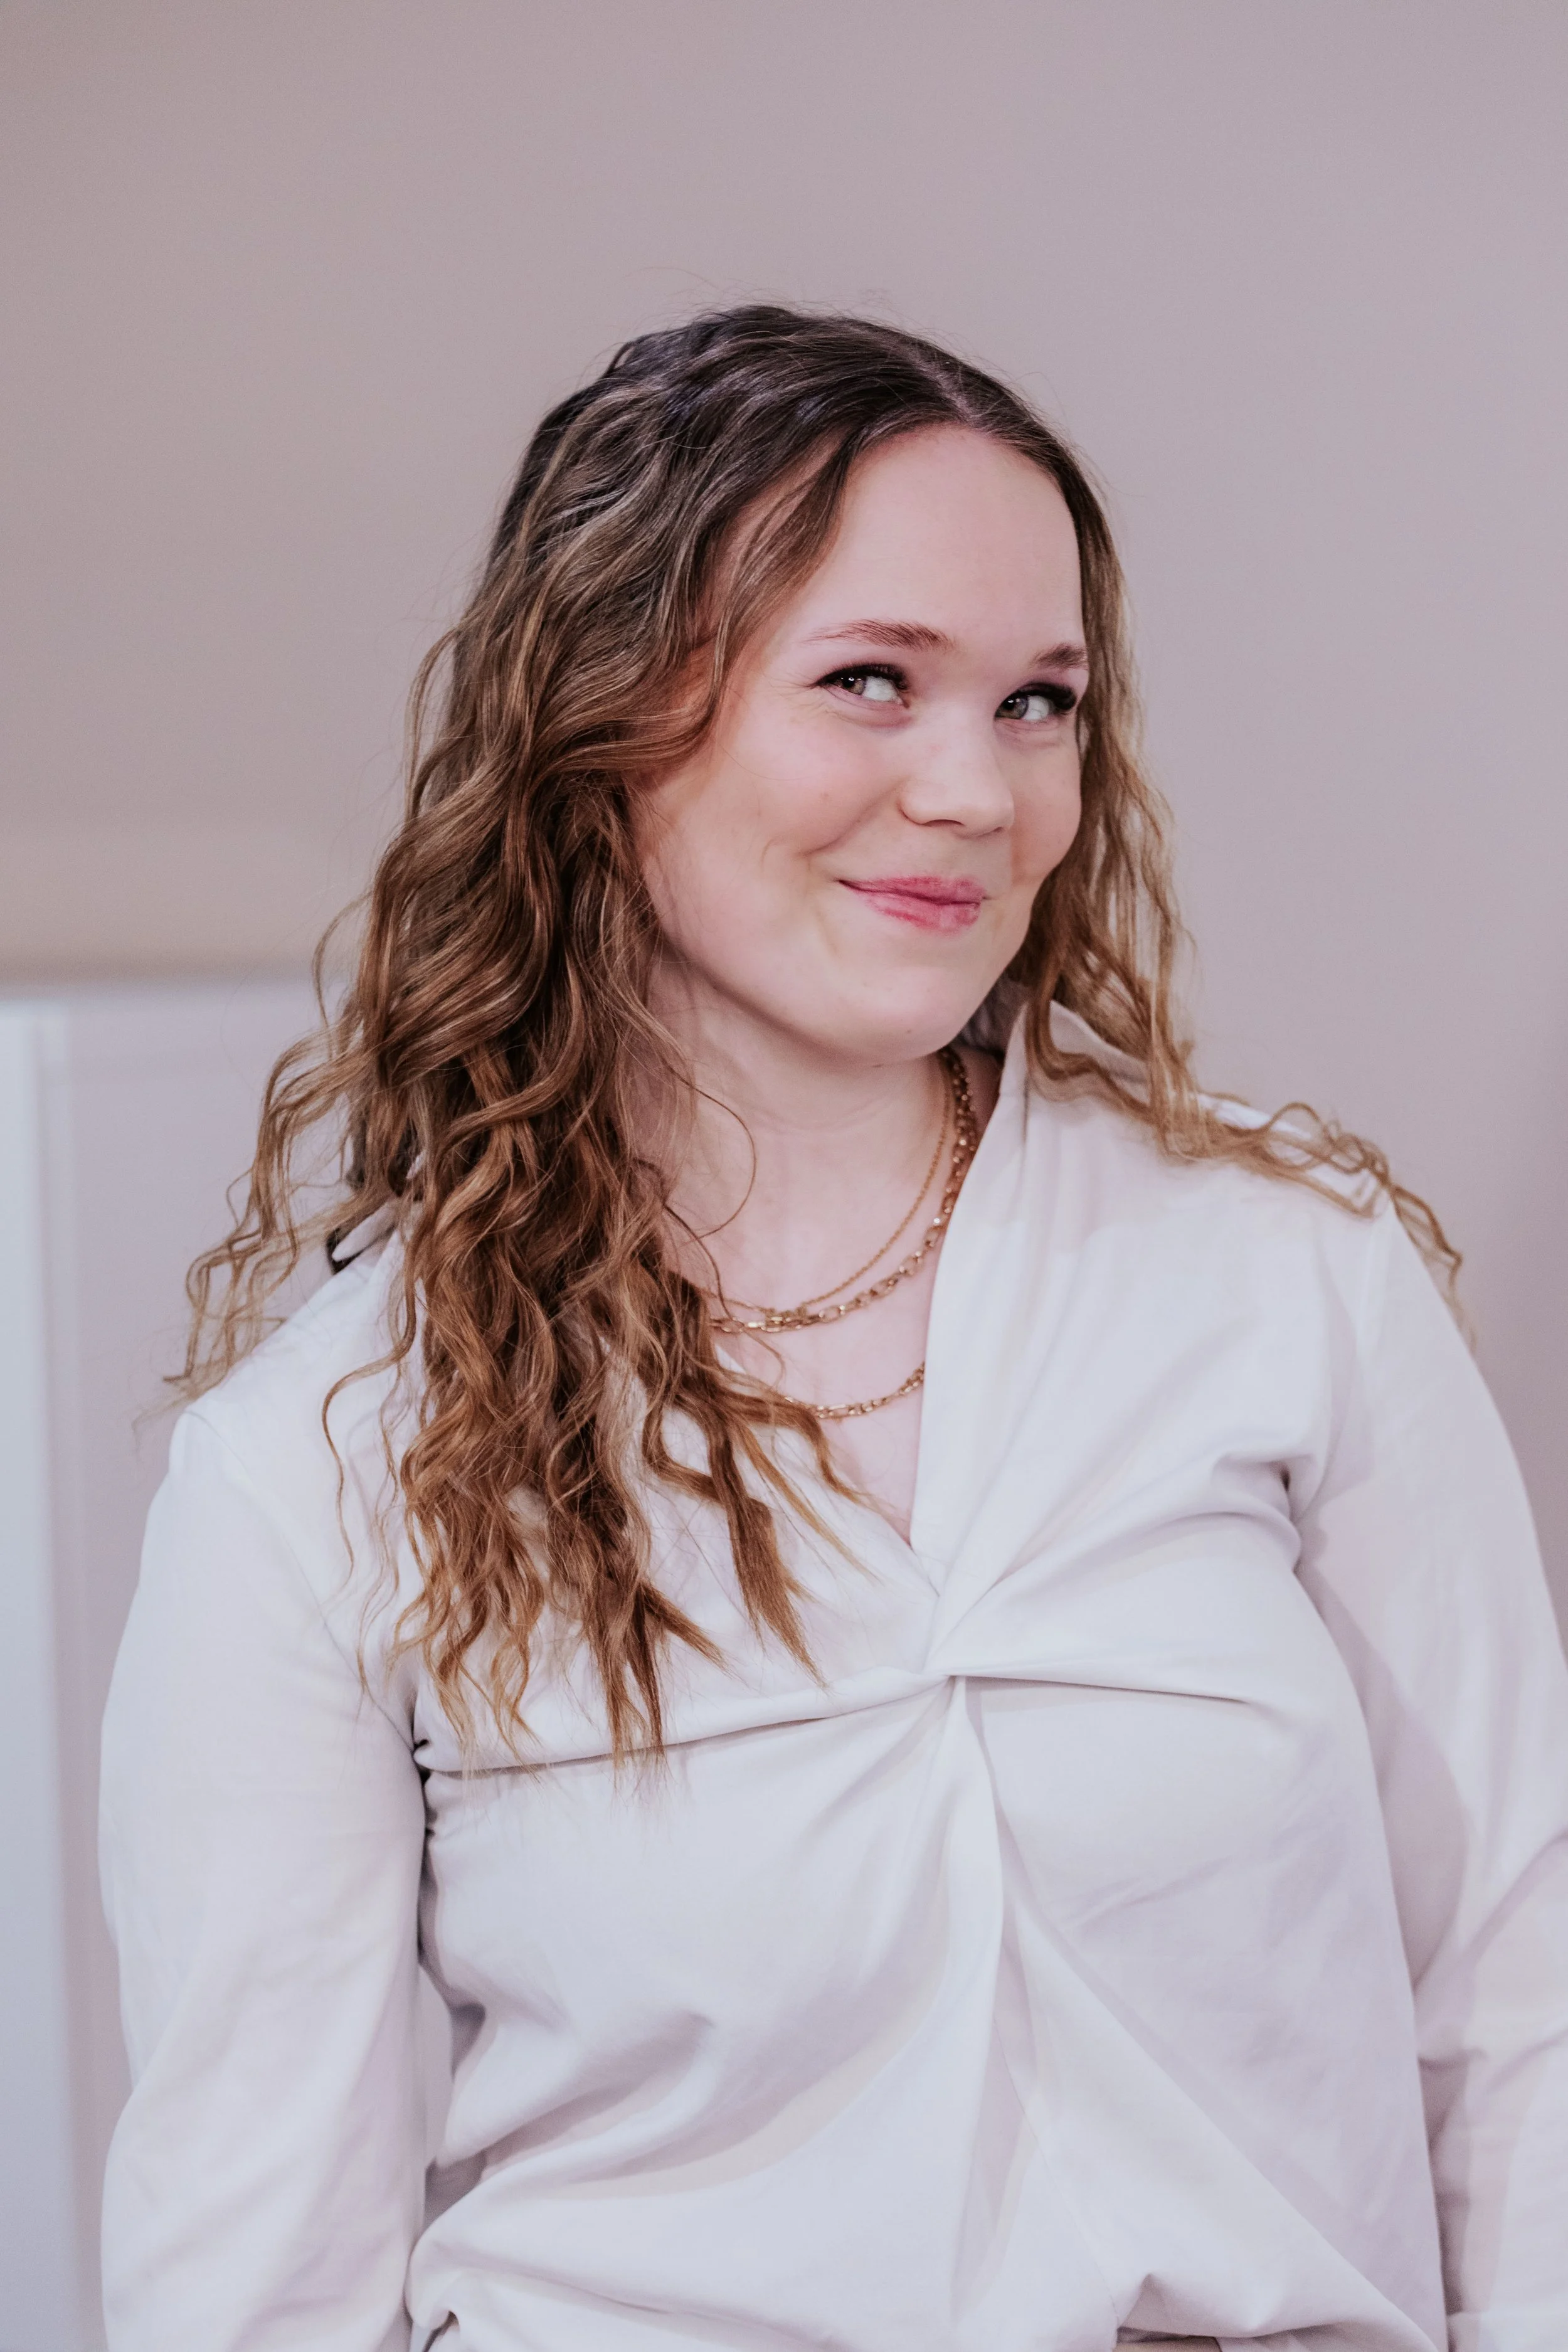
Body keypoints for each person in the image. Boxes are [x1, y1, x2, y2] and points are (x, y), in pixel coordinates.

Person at [99, 306, 1568, 2352]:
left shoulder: (1286, 1275)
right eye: (869, 680)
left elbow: (1517, 2008)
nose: (973, 792)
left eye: (1038, 702)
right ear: (606, 712)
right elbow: (256, 2280)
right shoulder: (322, 1455)